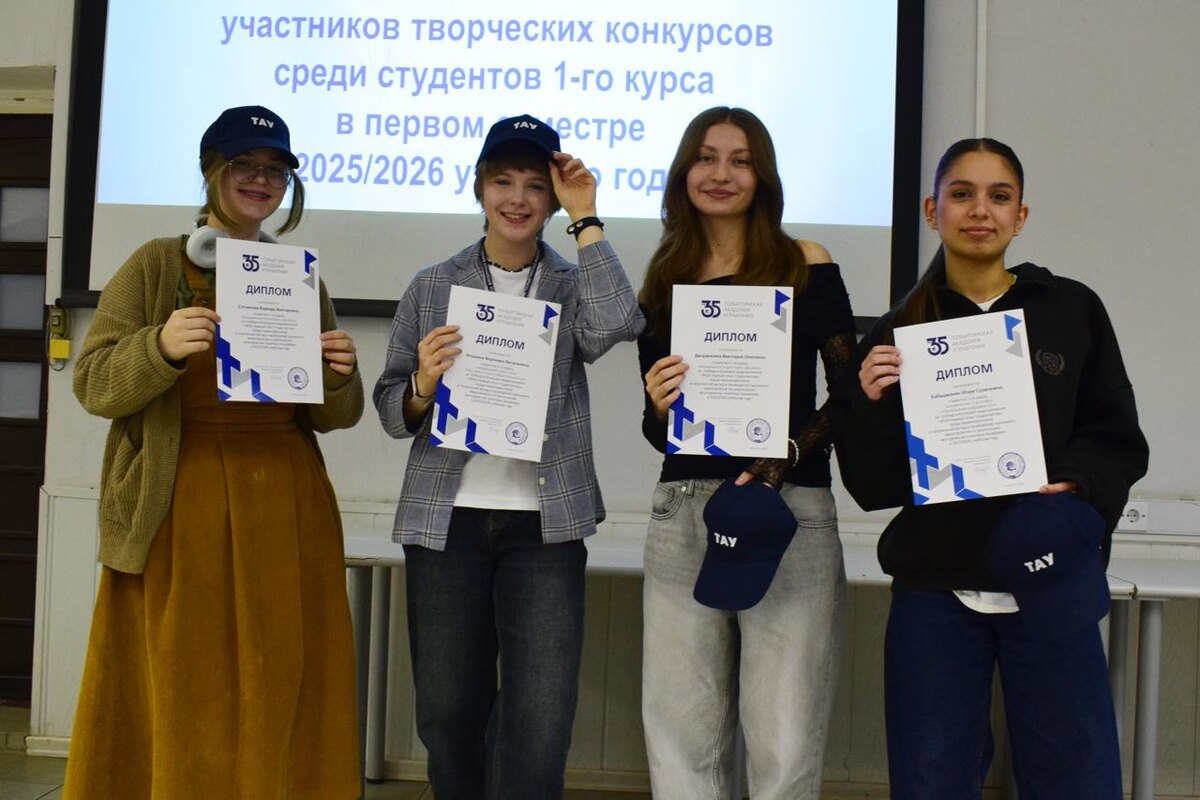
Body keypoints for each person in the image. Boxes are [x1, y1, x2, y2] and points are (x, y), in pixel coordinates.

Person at [64, 105, 363, 800]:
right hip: (179, 501)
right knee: (184, 678)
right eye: (243, 166)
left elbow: (329, 417)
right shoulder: (155, 264)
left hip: (285, 502)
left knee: (280, 673)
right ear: (211, 172)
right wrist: (159, 348)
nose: (260, 180)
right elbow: (92, 382)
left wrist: (339, 376)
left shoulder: (297, 279)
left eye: (275, 171)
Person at [835, 137, 1149, 799]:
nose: (980, 210)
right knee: (930, 779)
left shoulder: (1070, 309)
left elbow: (1116, 438)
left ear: (1020, 216)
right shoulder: (899, 331)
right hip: (936, 589)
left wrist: (1076, 484)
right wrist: (867, 404)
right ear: (932, 211)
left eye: (999, 196)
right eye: (962, 194)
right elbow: (871, 484)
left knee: (1075, 777)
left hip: (1051, 577)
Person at [373, 114, 643, 800]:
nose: (517, 199)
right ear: (478, 188)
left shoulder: (572, 283)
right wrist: (424, 385)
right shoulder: (433, 285)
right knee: (448, 713)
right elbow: (390, 410)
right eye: (502, 182)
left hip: (544, 527)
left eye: (535, 185)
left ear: (552, 200)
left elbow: (618, 322)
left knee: (541, 717)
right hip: (447, 523)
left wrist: (587, 218)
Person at [637, 106, 856, 800]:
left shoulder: (805, 263)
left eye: (740, 159)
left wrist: (783, 456)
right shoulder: (665, 277)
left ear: (763, 175)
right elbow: (659, 431)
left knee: (785, 742)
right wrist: (659, 405)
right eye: (706, 157)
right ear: (684, 171)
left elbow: (850, 396)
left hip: (789, 510)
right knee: (681, 741)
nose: (721, 173)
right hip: (683, 511)